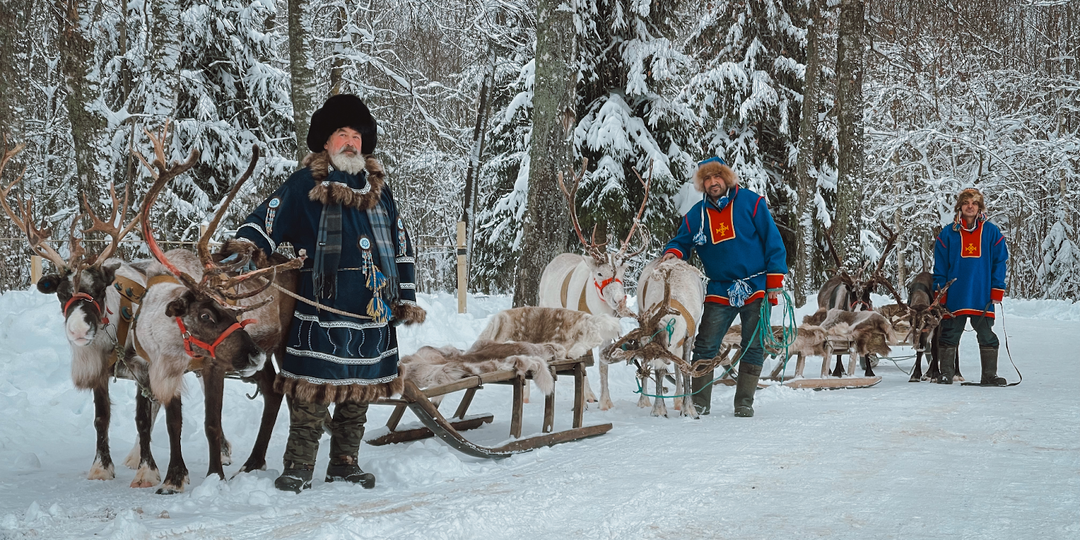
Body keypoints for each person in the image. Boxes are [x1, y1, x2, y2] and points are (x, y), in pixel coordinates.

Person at [230, 94, 426, 492]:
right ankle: (299, 466)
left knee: (359, 393)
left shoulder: (380, 191)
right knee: (310, 393)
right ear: (326, 141)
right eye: (342, 134)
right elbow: (265, 220)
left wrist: (404, 296)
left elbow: (401, 244)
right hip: (322, 308)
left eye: (356, 136)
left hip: (372, 311)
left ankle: (345, 463)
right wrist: (245, 249)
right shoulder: (305, 185)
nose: (351, 143)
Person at [660, 157, 787, 417]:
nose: (712, 182)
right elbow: (681, 241)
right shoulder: (697, 215)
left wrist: (774, 281)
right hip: (720, 288)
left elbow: (773, 241)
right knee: (705, 344)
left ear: (726, 178)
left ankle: (744, 402)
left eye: (716, 176)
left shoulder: (752, 203)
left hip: (756, 285)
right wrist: (673, 252)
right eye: (706, 179)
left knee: (753, 345)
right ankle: (699, 403)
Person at [932, 187, 1008, 386]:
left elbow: (1000, 262)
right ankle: (946, 374)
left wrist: (997, 289)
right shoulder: (948, 234)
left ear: (979, 207)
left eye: (974, 203)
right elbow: (940, 266)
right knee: (949, 334)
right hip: (955, 294)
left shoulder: (991, 232)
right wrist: (941, 292)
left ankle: (989, 376)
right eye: (966, 203)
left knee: (987, 335)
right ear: (960, 206)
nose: (970, 207)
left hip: (982, 294)